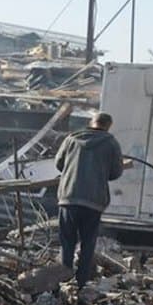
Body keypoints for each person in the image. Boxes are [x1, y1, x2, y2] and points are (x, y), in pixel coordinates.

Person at [53, 112, 129, 287]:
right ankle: (81, 282)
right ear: (108, 125)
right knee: (88, 243)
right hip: (93, 201)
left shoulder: (71, 139)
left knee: (67, 241)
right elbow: (115, 173)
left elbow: (59, 164)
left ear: (91, 122)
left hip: (69, 198)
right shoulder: (111, 143)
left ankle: (64, 279)